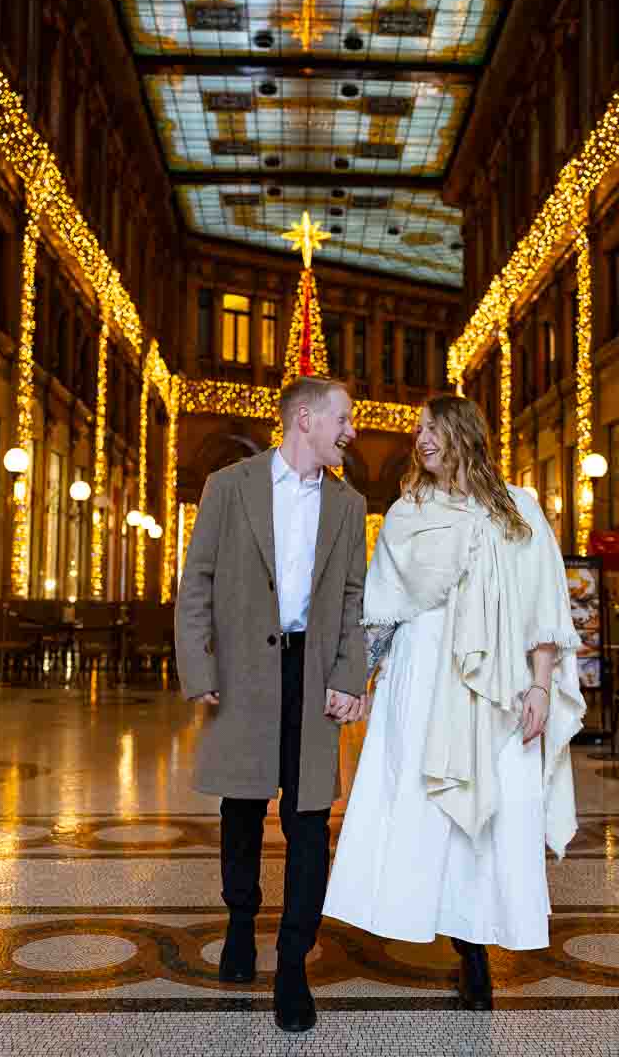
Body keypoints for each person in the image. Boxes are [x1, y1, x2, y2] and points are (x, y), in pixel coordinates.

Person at [323, 393, 585, 1009]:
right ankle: (451, 938)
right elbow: (381, 613)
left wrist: (542, 687)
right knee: (425, 812)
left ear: (462, 431)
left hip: (500, 686)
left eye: (431, 427)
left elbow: (545, 609)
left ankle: (478, 952)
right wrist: (357, 682)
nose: (421, 439)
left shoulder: (519, 510)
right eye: (418, 430)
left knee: (498, 816)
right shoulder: (408, 511)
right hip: (420, 679)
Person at [175, 376, 368, 1034]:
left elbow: (352, 599)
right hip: (244, 673)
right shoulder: (230, 486)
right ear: (306, 420)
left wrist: (350, 675)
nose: (351, 431)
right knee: (242, 806)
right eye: (343, 419)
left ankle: (292, 963)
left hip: (313, 676)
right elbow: (196, 578)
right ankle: (238, 921)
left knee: (311, 819)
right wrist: (199, 665)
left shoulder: (349, 505)